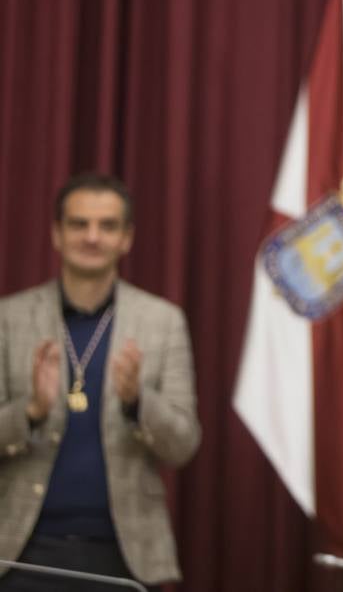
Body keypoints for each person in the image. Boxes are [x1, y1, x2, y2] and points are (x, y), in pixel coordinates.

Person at [0, 173, 201, 590]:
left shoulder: (162, 321)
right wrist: (31, 411)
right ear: (57, 234)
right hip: (20, 550)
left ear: (126, 238)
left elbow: (183, 444)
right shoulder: (9, 318)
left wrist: (136, 401)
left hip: (125, 554)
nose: (92, 237)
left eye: (107, 226)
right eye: (79, 224)